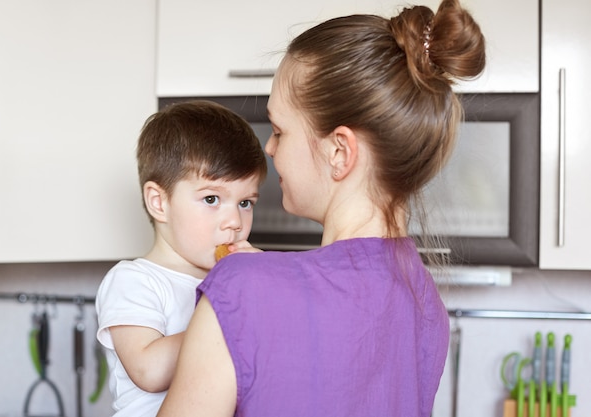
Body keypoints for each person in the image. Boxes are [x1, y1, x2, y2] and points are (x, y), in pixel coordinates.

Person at [157, 0, 485, 416]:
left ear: (338, 151)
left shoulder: (241, 289)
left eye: (279, 130)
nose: (269, 147)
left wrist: (252, 282)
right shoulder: (425, 304)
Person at [95, 100, 267, 417]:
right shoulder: (134, 281)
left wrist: (261, 285)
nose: (235, 221)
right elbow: (148, 370)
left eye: (245, 202)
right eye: (212, 198)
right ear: (159, 202)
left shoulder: (232, 282)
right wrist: (235, 325)